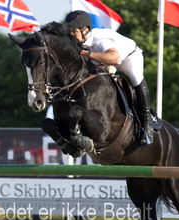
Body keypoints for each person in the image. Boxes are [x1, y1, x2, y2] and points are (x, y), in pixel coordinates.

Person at [64, 10, 154, 145]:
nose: (71, 34)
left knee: (136, 78)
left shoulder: (101, 40)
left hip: (128, 57)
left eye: (73, 31)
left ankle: (147, 126)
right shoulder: (81, 41)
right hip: (104, 60)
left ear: (84, 30)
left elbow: (116, 59)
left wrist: (88, 55)